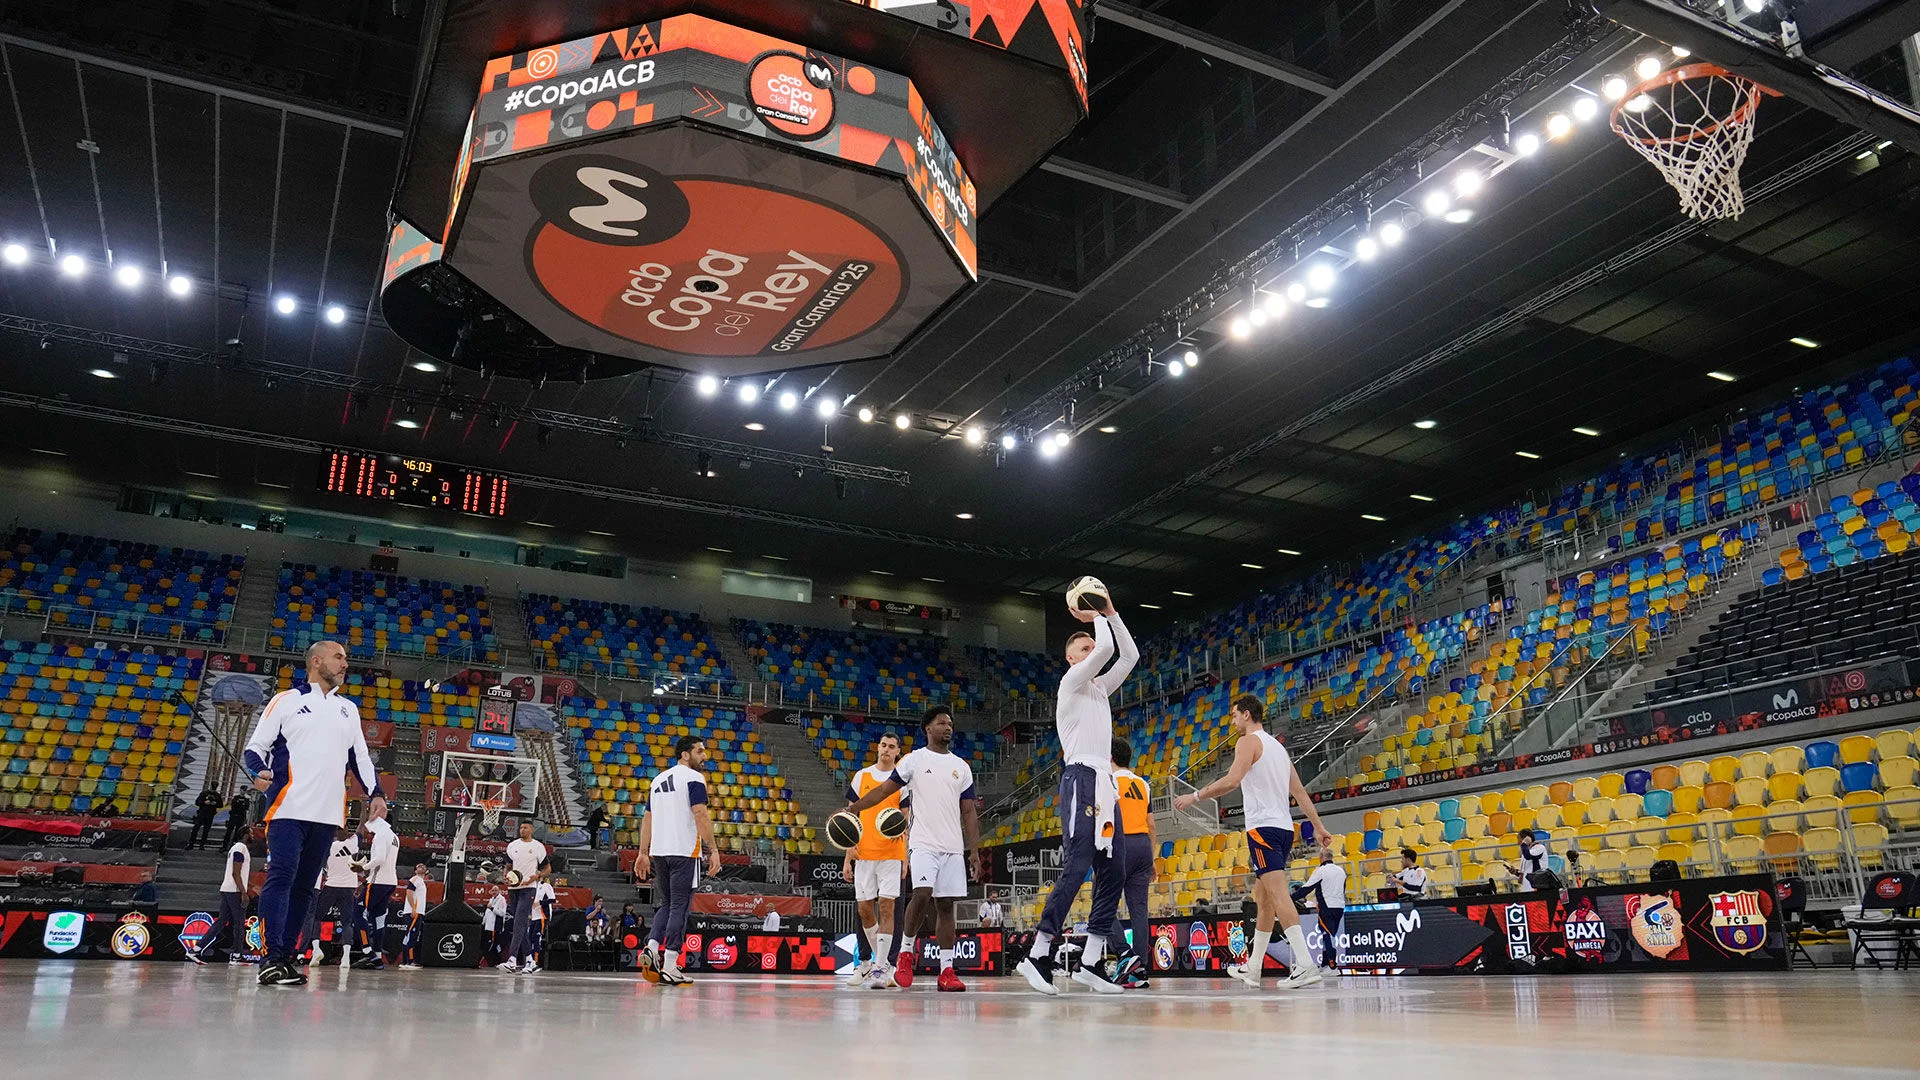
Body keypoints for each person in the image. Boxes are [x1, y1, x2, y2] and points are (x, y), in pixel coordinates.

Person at [1015, 593, 1138, 996]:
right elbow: (1105, 649)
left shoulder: (1100, 689)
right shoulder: (1070, 684)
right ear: (1072, 660)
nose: (1091, 651)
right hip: (1080, 776)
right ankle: (1038, 953)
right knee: (1077, 863)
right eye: (1082, 648)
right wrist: (1094, 616)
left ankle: (1091, 961)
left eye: (1090, 646)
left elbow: (1129, 655)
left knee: (1114, 871)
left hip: (1105, 782)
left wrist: (1112, 614)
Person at [241, 639, 384, 987]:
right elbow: (254, 749)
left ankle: (287, 958)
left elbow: (360, 758)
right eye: (339, 658)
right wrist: (258, 771)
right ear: (316, 661)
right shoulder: (286, 701)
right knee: (282, 878)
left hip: (327, 815)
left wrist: (376, 792)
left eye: (346, 659)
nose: (345, 664)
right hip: (287, 807)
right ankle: (270, 957)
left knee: (306, 888)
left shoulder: (348, 709)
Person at [1175, 694, 1331, 989]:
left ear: (1247, 715)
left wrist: (1195, 796)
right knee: (1263, 898)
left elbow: (1232, 780)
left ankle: (1306, 964)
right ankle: (1254, 967)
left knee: (1278, 894)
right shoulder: (1278, 748)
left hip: (1263, 828)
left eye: (1234, 715)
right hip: (1285, 829)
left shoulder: (1247, 742)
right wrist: (1319, 826)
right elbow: (1299, 792)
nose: (1232, 721)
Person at [846, 706, 982, 993]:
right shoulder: (914, 760)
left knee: (946, 907)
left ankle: (947, 971)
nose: (948, 727)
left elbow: (969, 812)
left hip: (953, 847)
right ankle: (906, 952)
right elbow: (885, 790)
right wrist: (855, 808)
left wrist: (974, 851)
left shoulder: (962, 766)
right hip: (922, 844)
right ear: (927, 729)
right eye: (941, 722)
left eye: (950, 723)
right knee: (921, 896)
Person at [637, 734, 721, 986]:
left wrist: (642, 852)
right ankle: (671, 964)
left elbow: (647, 818)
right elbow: (700, 814)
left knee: (667, 903)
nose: (704, 756)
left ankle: (651, 947)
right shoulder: (695, 778)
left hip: (660, 851)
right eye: (699, 751)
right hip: (684, 850)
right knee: (680, 907)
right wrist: (713, 849)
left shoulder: (658, 779)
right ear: (685, 754)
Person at [840, 731, 907, 989]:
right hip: (864, 854)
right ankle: (868, 964)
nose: (886, 750)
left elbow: (905, 819)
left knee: (888, 907)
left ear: (897, 752)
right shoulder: (862, 776)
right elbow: (849, 820)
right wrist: (848, 856)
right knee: (864, 910)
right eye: (883, 745)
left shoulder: (901, 782)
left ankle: (881, 967)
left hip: (891, 853)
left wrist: (906, 858)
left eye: (892, 746)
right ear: (877, 748)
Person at [1110, 736, 1156, 988]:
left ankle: (1125, 955)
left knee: (1102, 905)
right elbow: (1151, 823)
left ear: (1109, 758)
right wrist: (1153, 856)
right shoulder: (1143, 784)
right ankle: (1141, 970)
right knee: (1139, 910)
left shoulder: (1109, 781)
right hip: (1142, 846)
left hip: (1121, 844)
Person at [188, 837, 253, 965]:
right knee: (239, 923)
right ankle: (237, 955)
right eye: (250, 833)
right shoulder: (241, 848)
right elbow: (236, 873)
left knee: (221, 921)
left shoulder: (234, 848)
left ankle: (195, 950)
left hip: (226, 888)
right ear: (244, 834)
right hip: (234, 890)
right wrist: (243, 892)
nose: (253, 836)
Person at [353, 797, 400, 969]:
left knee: (357, 912)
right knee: (378, 918)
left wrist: (362, 867)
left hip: (379, 881)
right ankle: (378, 957)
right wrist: (365, 880)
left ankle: (368, 953)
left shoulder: (381, 835)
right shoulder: (394, 837)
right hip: (390, 882)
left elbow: (379, 859)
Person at [306, 826, 362, 967]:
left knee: (316, 917)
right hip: (348, 887)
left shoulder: (329, 847)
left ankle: (317, 949)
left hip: (332, 886)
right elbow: (361, 827)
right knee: (346, 922)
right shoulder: (353, 842)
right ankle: (346, 957)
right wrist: (363, 807)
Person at [501, 820, 549, 975]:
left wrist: (538, 876)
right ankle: (530, 960)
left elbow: (548, 867)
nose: (522, 829)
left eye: (525, 827)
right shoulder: (512, 846)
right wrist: (505, 876)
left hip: (528, 888)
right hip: (513, 888)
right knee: (519, 925)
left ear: (532, 830)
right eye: (521, 827)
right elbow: (508, 866)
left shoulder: (538, 847)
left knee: (519, 923)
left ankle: (512, 960)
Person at [1292, 849, 1347, 970]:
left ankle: (1332, 966)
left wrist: (1290, 898)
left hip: (1326, 907)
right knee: (1328, 935)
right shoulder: (1341, 871)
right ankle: (1325, 964)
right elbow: (1343, 889)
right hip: (1339, 907)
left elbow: (1307, 888)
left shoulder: (1321, 871)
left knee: (1327, 935)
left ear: (1321, 857)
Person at [398, 863, 428, 969]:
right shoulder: (415, 879)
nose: (422, 867)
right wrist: (413, 908)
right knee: (411, 935)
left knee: (412, 936)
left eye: (423, 866)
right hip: (414, 912)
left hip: (418, 912)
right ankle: (408, 961)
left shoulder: (421, 882)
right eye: (419, 866)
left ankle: (407, 960)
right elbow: (409, 892)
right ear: (415, 871)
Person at [483, 887, 508, 965]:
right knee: (489, 944)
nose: (494, 892)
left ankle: (496, 961)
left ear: (499, 891)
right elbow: (487, 913)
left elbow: (502, 913)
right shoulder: (491, 899)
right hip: (488, 927)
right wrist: (483, 923)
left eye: (495, 890)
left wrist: (492, 908)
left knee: (495, 944)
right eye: (492, 890)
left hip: (495, 927)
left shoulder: (502, 899)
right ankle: (490, 961)